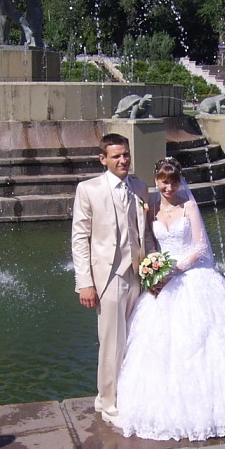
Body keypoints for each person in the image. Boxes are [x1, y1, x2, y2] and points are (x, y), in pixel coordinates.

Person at [117, 158, 225, 442]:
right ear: (156, 181)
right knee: (159, 348)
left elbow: (201, 246)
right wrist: (154, 269)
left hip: (192, 277)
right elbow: (150, 243)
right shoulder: (151, 209)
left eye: (173, 182)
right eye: (164, 182)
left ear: (179, 182)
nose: (169, 188)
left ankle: (215, 410)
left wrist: (173, 270)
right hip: (163, 283)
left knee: (205, 345)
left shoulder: (188, 207)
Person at [71, 134, 156, 428]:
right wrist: (85, 283)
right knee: (111, 342)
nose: (123, 160)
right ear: (103, 159)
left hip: (137, 274)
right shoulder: (88, 189)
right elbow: (79, 238)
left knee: (133, 338)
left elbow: (145, 234)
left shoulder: (140, 188)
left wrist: (152, 268)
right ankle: (109, 403)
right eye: (116, 156)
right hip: (108, 277)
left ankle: (112, 394)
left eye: (126, 155)